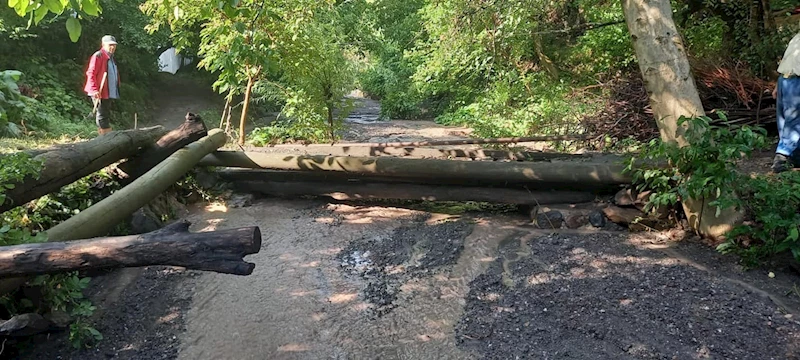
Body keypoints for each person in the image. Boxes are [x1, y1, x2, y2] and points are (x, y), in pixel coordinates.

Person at [772, 31, 800, 173]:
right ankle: (795, 158)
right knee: (783, 120)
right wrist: (778, 85)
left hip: (797, 81)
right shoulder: (797, 37)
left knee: (794, 120)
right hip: (785, 79)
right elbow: (788, 61)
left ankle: (782, 156)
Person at [84, 35, 120, 135]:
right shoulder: (98, 56)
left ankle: (105, 135)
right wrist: (94, 89)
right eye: (110, 45)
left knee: (105, 113)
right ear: (103, 45)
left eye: (114, 45)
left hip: (108, 91)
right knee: (102, 114)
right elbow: (91, 73)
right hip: (99, 91)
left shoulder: (111, 58)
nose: (112, 47)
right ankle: (105, 136)